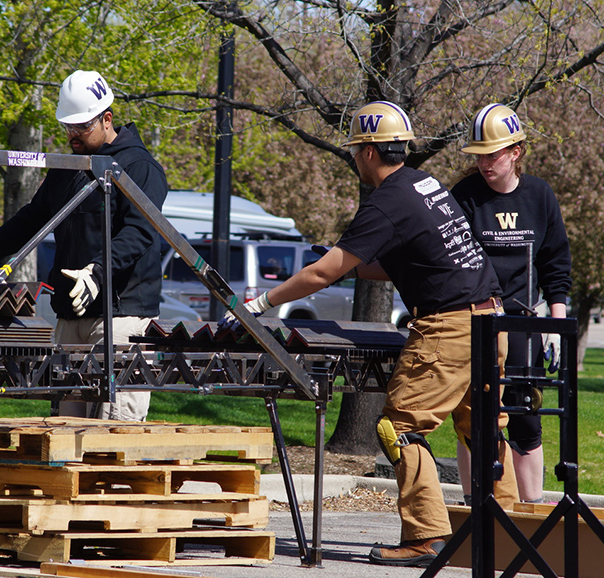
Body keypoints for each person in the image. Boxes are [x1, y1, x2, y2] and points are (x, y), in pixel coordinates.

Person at [222, 101, 519, 567]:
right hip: (489, 320)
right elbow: (409, 262)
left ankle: (427, 537)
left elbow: (321, 275)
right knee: (482, 429)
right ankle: (512, 531)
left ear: (366, 151)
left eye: (356, 150)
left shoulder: (386, 200)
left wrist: (259, 303)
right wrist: (352, 264)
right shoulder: (424, 184)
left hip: (449, 330)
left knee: (397, 427)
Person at [0, 70, 168, 422]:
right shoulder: (68, 167)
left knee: (113, 430)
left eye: (81, 127)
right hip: (71, 317)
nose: (72, 135)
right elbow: (29, 221)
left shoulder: (140, 167)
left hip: (121, 317)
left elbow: (141, 233)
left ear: (107, 119)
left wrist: (96, 271)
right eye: (67, 127)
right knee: (65, 434)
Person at [452, 103, 572, 504]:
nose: (485, 163)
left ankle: (530, 513)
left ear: (516, 151)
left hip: (524, 326)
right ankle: (476, 512)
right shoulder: (464, 197)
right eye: (479, 155)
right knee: (477, 419)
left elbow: (556, 264)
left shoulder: (539, 195)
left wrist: (556, 325)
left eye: (494, 154)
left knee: (526, 419)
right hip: (478, 320)